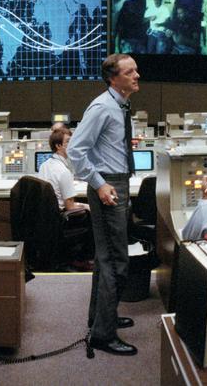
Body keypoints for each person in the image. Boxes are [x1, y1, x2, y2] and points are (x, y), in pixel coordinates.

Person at [69, 53, 140, 356]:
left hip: (116, 180)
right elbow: (75, 151)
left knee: (105, 259)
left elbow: (102, 145)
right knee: (116, 261)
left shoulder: (119, 105)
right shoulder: (102, 107)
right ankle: (103, 335)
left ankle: (100, 319)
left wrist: (123, 148)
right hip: (109, 185)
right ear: (114, 78)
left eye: (136, 70)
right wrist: (99, 185)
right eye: (130, 72)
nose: (137, 75)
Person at [39, 128, 88, 214]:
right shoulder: (64, 172)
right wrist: (87, 206)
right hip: (60, 216)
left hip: (45, 215)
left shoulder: (44, 166)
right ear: (58, 146)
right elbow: (70, 207)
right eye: (68, 141)